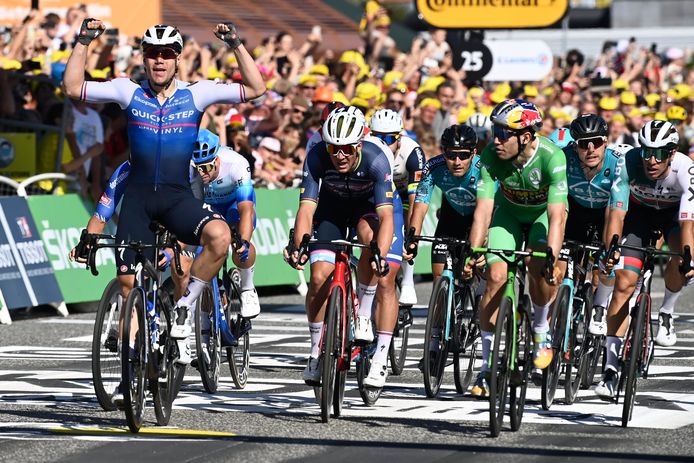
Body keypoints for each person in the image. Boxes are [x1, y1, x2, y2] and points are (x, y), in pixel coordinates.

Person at [64, 20, 266, 369]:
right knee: (128, 285)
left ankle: (186, 307)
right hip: (139, 201)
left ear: (177, 60)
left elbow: (257, 87)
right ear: (144, 58)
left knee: (219, 238)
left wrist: (235, 43)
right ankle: (131, 365)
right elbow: (71, 87)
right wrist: (84, 40)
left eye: (167, 55)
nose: (159, 61)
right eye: (153, 55)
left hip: (177, 198)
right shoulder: (128, 91)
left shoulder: (197, 93)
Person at [284, 106, 397, 389]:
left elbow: (386, 217)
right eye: (334, 149)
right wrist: (300, 246)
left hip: (367, 208)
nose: (340, 156)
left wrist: (379, 255)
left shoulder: (377, 159)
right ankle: (314, 353)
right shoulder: (316, 157)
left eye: (347, 149)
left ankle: (363, 314)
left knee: (369, 238)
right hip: (331, 210)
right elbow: (306, 210)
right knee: (319, 276)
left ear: (358, 145)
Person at [464, 99, 567, 398]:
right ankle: (486, 366)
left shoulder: (552, 157)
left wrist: (552, 253)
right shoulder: (490, 156)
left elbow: (557, 216)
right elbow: (483, 210)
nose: (495, 139)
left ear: (525, 135)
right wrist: (473, 251)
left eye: (503, 133)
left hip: (540, 217)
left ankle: (539, 329)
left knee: (539, 269)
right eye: (495, 131)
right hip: (508, 215)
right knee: (495, 277)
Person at [597, 120, 694, 399]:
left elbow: (688, 225)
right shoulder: (628, 162)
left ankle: (667, 312)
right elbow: (616, 213)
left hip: (673, 218)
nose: (651, 160)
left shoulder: (685, 170)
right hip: (639, 216)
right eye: (646, 152)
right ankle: (610, 369)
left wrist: (687, 259)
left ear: (672, 153)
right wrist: (612, 249)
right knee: (624, 283)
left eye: (660, 153)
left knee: (681, 260)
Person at [561, 114, 626, 337]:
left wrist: (611, 249)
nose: (590, 149)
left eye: (596, 142)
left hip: (605, 213)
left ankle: (599, 306)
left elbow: (616, 211)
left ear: (605, 142)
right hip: (575, 211)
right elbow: (556, 204)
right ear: (574, 145)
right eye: (583, 144)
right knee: (560, 259)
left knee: (606, 262)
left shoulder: (618, 162)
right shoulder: (563, 158)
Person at [369, 109, 424, 306]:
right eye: (377, 137)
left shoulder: (412, 152)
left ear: (399, 139)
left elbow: (416, 200)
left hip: (404, 193)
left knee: (410, 226)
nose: (383, 143)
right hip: (380, 194)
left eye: (388, 138)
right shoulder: (368, 149)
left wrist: (411, 235)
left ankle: (408, 279)